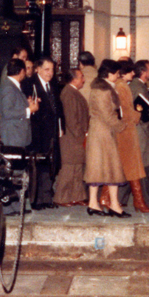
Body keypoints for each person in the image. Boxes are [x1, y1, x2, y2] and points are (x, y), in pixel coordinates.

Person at [84, 59, 130, 218]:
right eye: (117, 73)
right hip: (102, 133)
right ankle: (97, 204)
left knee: (107, 169)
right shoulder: (102, 91)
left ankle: (107, 204)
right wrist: (122, 126)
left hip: (103, 132)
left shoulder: (104, 88)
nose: (118, 76)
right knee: (103, 168)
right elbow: (107, 115)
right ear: (109, 73)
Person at [0, 58, 38, 215]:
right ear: (21, 72)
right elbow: (7, 113)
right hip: (12, 135)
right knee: (12, 172)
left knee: (17, 171)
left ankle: (17, 206)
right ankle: (10, 208)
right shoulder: (8, 87)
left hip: (17, 134)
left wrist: (26, 105)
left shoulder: (13, 86)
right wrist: (29, 111)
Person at [22, 57, 62, 209]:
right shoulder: (29, 84)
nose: (50, 73)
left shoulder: (53, 85)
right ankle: (36, 200)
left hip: (51, 131)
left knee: (49, 164)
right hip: (37, 133)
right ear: (37, 69)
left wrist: (60, 126)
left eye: (52, 69)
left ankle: (47, 198)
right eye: (47, 69)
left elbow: (58, 108)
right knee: (37, 166)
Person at [114, 61, 149, 212]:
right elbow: (126, 109)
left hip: (129, 129)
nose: (133, 73)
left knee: (129, 167)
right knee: (132, 166)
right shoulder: (123, 86)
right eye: (130, 71)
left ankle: (130, 200)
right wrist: (138, 116)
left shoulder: (123, 85)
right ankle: (138, 201)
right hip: (130, 129)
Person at [53, 68, 89, 206]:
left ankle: (76, 196)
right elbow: (71, 119)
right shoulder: (68, 93)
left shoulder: (73, 92)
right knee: (68, 169)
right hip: (71, 138)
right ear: (74, 79)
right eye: (81, 77)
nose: (83, 80)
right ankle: (61, 198)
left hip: (76, 137)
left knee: (77, 168)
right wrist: (82, 135)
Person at [129, 59, 149, 210]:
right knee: (142, 168)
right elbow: (141, 111)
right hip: (141, 131)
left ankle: (145, 200)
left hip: (142, 130)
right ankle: (145, 201)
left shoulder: (139, 86)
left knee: (142, 168)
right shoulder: (137, 87)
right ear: (143, 71)